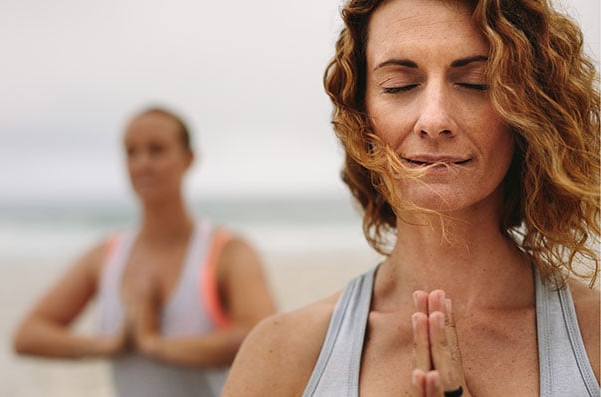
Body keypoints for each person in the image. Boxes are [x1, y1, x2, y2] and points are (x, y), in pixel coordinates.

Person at [223, 0, 600, 396]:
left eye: (475, 82)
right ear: (361, 113)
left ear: (529, 108)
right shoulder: (281, 354)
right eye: (400, 86)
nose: (434, 120)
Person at [13, 107, 276, 396]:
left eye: (157, 150)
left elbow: (263, 338)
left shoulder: (228, 252)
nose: (142, 163)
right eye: (131, 152)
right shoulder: (105, 256)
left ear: (189, 159)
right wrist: (108, 345)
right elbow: (28, 335)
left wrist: (155, 345)